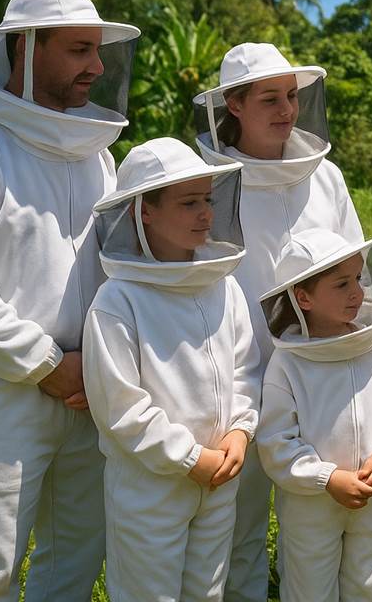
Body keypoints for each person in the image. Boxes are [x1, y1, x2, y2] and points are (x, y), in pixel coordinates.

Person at [0, 0, 138, 600]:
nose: (98, 67)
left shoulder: (95, 155)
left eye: (99, 51)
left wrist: (98, 368)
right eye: (81, 49)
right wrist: (46, 364)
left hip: (88, 392)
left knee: (75, 566)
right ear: (27, 49)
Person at [194, 41, 363, 599]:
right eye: (270, 98)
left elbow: (355, 268)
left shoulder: (328, 178)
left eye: (292, 96)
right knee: (235, 530)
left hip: (318, 376)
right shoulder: (206, 182)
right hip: (235, 380)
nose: (287, 110)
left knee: (315, 528)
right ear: (233, 105)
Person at [82, 137, 260, 600]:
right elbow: (120, 408)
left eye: (207, 200)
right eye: (188, 203)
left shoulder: (225, 287)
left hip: (219, 477)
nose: (205, 214)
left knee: (207, 593)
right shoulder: (119, 301)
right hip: (149, 489)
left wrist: (240, 431)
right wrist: (188, 458)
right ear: (145, 210)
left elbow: (245, 371)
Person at [256, 228, 372, 602]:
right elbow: (275, 443)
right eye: (340, 284)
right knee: (309, 587)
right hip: (312, 506)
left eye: (357, 278)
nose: (357, 292)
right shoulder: (287, 365)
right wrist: (326, 478)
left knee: (370, 584)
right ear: (303, 297)